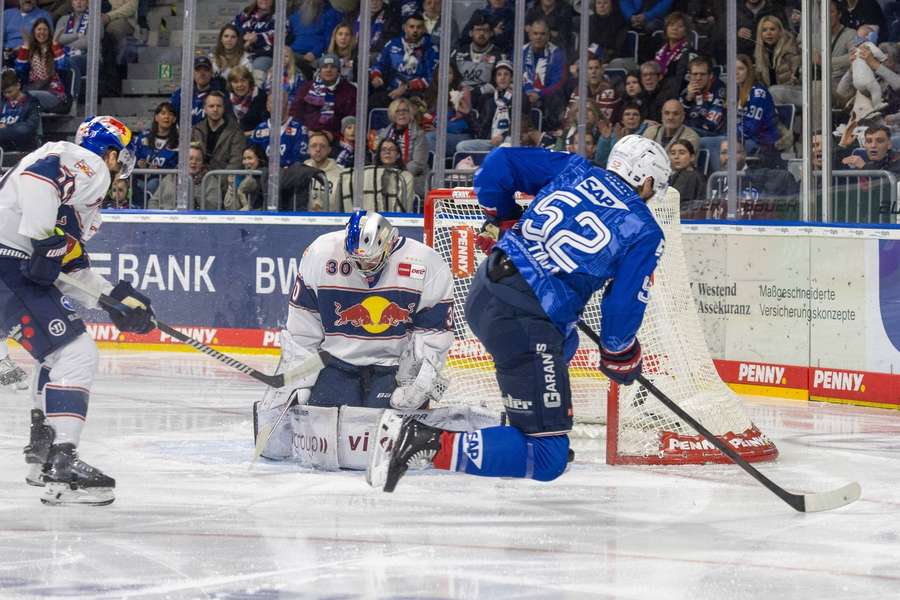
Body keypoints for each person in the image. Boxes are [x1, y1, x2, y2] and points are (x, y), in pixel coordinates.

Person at [369, 136, 671, 492]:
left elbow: (498, 165)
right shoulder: (645, 230)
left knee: (565, 341)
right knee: (547, 457)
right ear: (647, 180)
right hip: (525, 320)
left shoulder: (575, 168)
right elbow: (621, 309)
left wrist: (505, 218)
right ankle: (422, 440)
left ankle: (530, 423)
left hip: (486, 290)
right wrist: (620, 354)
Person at [0, 116, 152, 505]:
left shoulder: (76, 195)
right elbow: (41, 179)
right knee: (77, 353)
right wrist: (43, 236)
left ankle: (43, 453)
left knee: (56, 356)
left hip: (10, 267)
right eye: (122, 156)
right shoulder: (90, 163)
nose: (122, 165)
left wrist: (116, 299)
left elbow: (70, 269)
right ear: (111, 152)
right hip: (7, 266)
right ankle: (62, 469)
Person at [252, 209, 461, 472]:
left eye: (371, 261)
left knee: (381, 444)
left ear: (389, 243)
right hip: (337, 362)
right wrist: (296, 378)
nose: (364, 268)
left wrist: (419, 382)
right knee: (325, 441)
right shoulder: (320, 253)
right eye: (356, 261)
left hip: (393, 368)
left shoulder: (427, 262)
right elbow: (303, 329)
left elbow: (433, 333)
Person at [369, 12, 437, 108]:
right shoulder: (393, 44)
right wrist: (377, 77)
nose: (415, 30)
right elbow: (380, 64)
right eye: (411, 27)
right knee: (372, 101)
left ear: (424, 29)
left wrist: (407, 87)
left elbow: (430, 79)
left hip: (417, 95)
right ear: (405, 28)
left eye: (419, 27)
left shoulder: (431, 49)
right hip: (392, 90)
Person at [290, 53, 356, 141]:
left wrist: (334, 135)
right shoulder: (307, 88)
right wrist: (304, 131)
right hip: (306, 135)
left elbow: (352, 120)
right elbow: (295, 112)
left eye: (333, 67)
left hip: (336, 139)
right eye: (325, 67)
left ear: (339, 70)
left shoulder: (350, 90)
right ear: (320, 70)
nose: (329, 70)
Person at [15, 17, 70, 113]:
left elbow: (63, 68)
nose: (42, 32)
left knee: (27, 97)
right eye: (39, 29)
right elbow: (19, 71)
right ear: (34, 32)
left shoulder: (56, 48)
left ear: (49, 32)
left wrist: (55, 44)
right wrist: (26, 45)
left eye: (45, 29)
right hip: (32, 89)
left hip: (54, 93)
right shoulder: (29, 50)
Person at [452, 12, 506, 106]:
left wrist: (478, 91)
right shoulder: (458, 52)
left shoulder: (498, 55)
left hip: (485, 100)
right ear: (470, 33)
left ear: (491, 33)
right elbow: (448, 77)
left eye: (485, 30)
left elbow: (500, 82)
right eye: (478, 30)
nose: (481, 33)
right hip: (458, 97)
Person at [522, 17, 567, 131]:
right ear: (530, 35)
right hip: (524, 94)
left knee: (556, 96)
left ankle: (550, 133)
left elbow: (558, 82)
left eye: (542, 34)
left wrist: (540, 94)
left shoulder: (556, 54)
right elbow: (517, 76)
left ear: (548, 36)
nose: (538, 37)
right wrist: (527, 92)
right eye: (535, 33)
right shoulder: (520, 51)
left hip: (547, 95)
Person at [133, 101, 179, 207]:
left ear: (174, 119)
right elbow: (132, 158)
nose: (166, 117)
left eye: (170, 114)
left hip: (162, 184)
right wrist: (139, 165)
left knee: (153, 183)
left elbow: (177, 167)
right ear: (156, 117)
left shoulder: (178, 142)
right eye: (163, 113)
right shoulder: (143, 137)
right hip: (140, 180)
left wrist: (160, 170)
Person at [190, 91, 245, 174]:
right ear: (205, 108)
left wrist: (218, 181)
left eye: (219, 106)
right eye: (211, 106)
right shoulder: (195, 130)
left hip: (222, 182)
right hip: (197, 180)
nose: (215, 109)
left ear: (224, 108)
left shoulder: (236, 132)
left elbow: (236, 162)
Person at [169, 55, 229, 125]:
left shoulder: (220, 94)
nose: (202, 73)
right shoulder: (181, 94)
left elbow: (228, 120)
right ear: (192, 73)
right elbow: (170, 117)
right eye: (198, 70)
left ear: (211, 73)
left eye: (206, 70)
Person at [288, 0, 342, 77]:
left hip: (316, 56)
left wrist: (315, 52)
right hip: (294, 53)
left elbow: (329, 39)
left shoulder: (331, 14)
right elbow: (288, 37)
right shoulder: (295, 15)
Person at [0, 70, 42, 152]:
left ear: (18, 85)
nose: (7, 95)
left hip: (22, 146)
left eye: (10, 92)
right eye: (4, 93)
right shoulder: (2, 103)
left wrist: (6, 128)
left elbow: (29, 127)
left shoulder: (31, 102)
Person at [303, 130, 341, 210]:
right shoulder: (301, 172)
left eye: (322, 146)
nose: (318, 149)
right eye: (314, 145)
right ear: (308, 149)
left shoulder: (340, 174)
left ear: (329, 150)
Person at [227, 65, 268, 134]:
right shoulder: (226, 99)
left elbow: (266, 126)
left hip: (254, 139)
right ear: (230, 84)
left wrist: (246, 134)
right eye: (235, 82)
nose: (240, 85)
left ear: (249, 81)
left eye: (243, 80)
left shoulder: (261, 97)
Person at [224, 145, 267, 211]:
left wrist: (241, 192)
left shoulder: (265, 175)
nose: (246, 162)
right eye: (244, 158)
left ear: (259, 159)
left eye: (250, 158)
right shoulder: (240, 176)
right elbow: (230, 207)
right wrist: (231, 187)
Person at [667, 139, 705, 211]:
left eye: (682, 153)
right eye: (673, 153)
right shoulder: (673, 176)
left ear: (692, 157)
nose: (676, 157)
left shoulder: (692, 177)